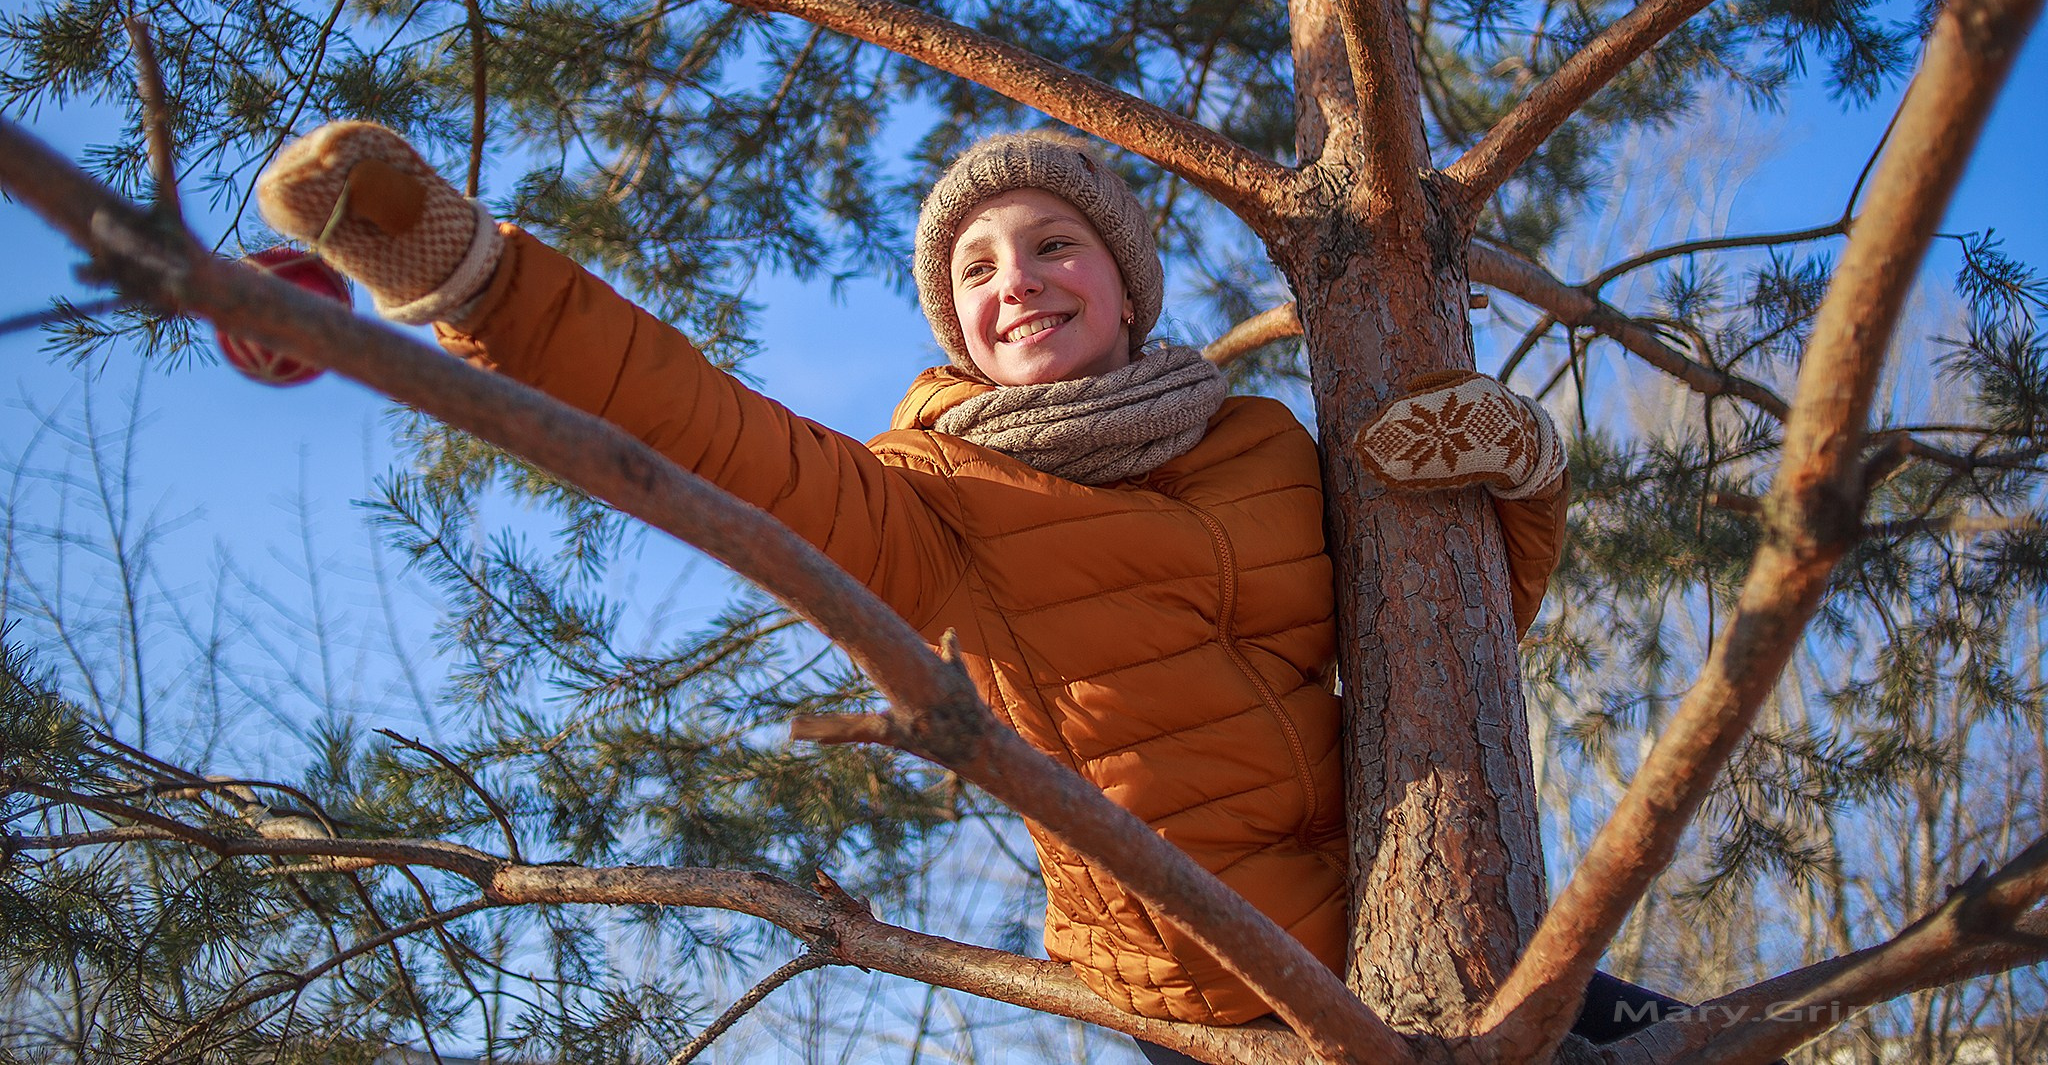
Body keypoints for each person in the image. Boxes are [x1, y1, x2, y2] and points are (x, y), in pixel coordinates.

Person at [255, 122, 1684, 1058]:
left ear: (1125, 281)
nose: (1018, 281)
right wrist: (467, 276)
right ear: (958, 323)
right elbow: (711, 438)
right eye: (978, 268)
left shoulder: (1255, 437)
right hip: (1219, 988)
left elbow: (1446, 643)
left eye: (1055, 243)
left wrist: (1527, 480)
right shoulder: (935, 495)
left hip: (1427, 927)